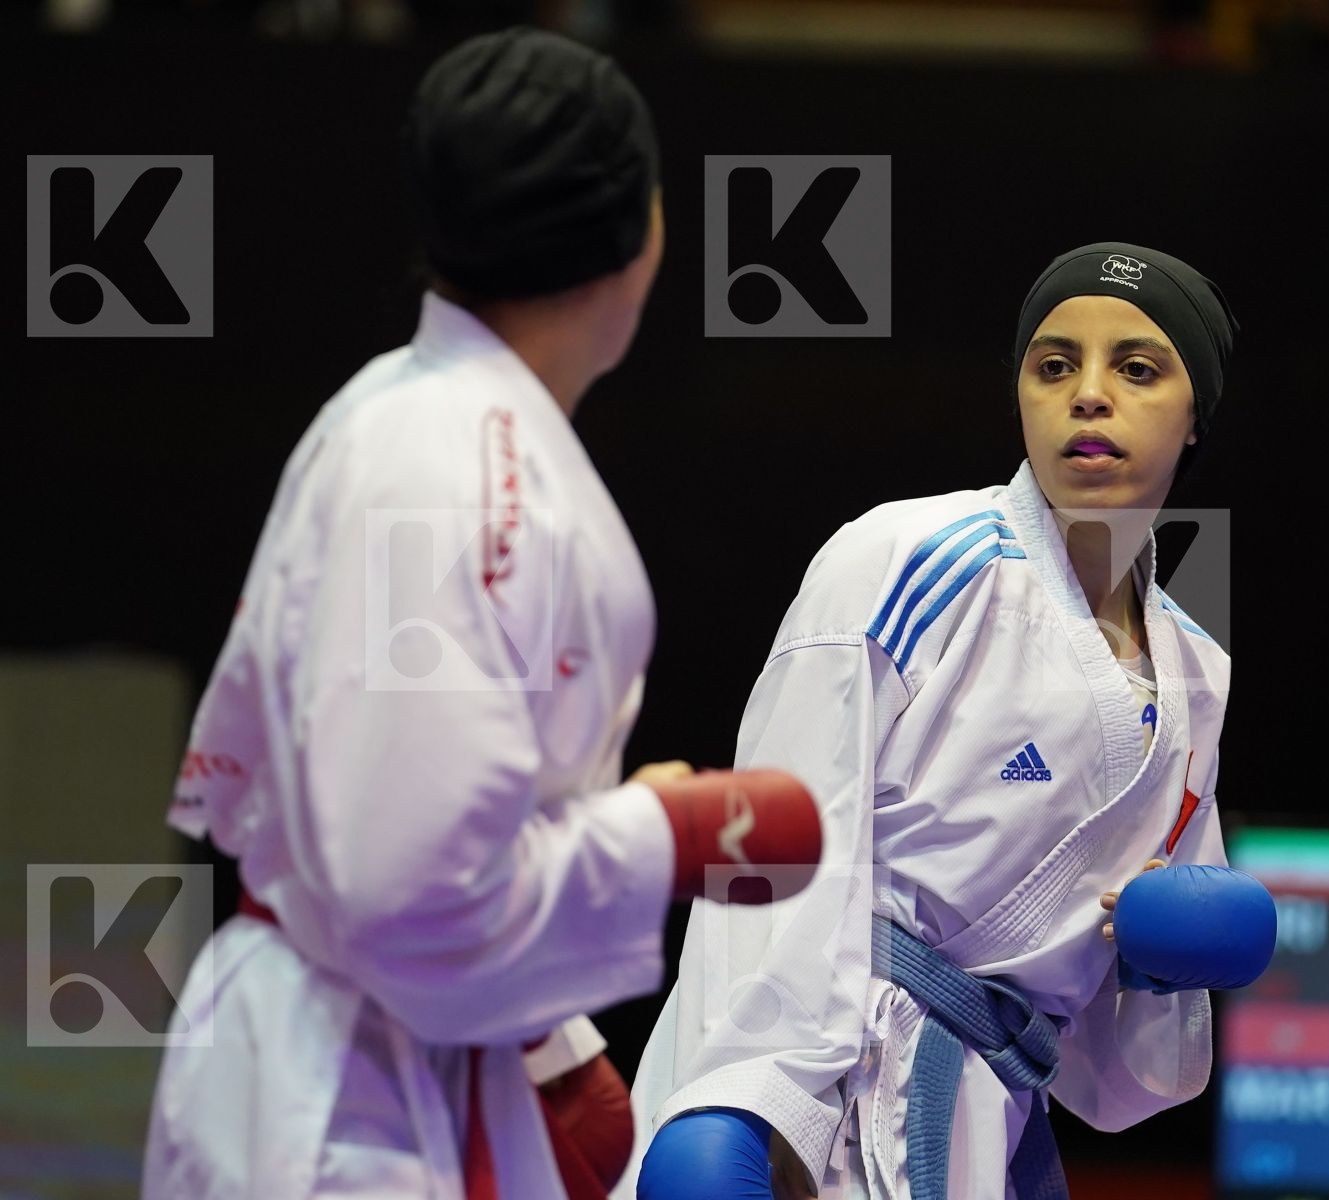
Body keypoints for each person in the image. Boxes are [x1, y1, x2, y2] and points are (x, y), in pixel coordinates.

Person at [141, 27, 822, 1200]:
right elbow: (411, 889)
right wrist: (661, 835)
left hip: (371, 1057)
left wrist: (550, 1041)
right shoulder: (460, 469)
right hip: (354, 1105)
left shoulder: (416, 417)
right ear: (639, 235)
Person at [618, 243, 1274, 1200]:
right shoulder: (900, 559)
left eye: (1137, 368)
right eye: (1053, 366)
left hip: (987, 1114)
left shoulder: (1194, 675)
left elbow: (1114, 1082)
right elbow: (773, 845)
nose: (1088, 396)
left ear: (1194, 415)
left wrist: (1158, 972)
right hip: (825, 1092)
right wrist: (739, 1103)